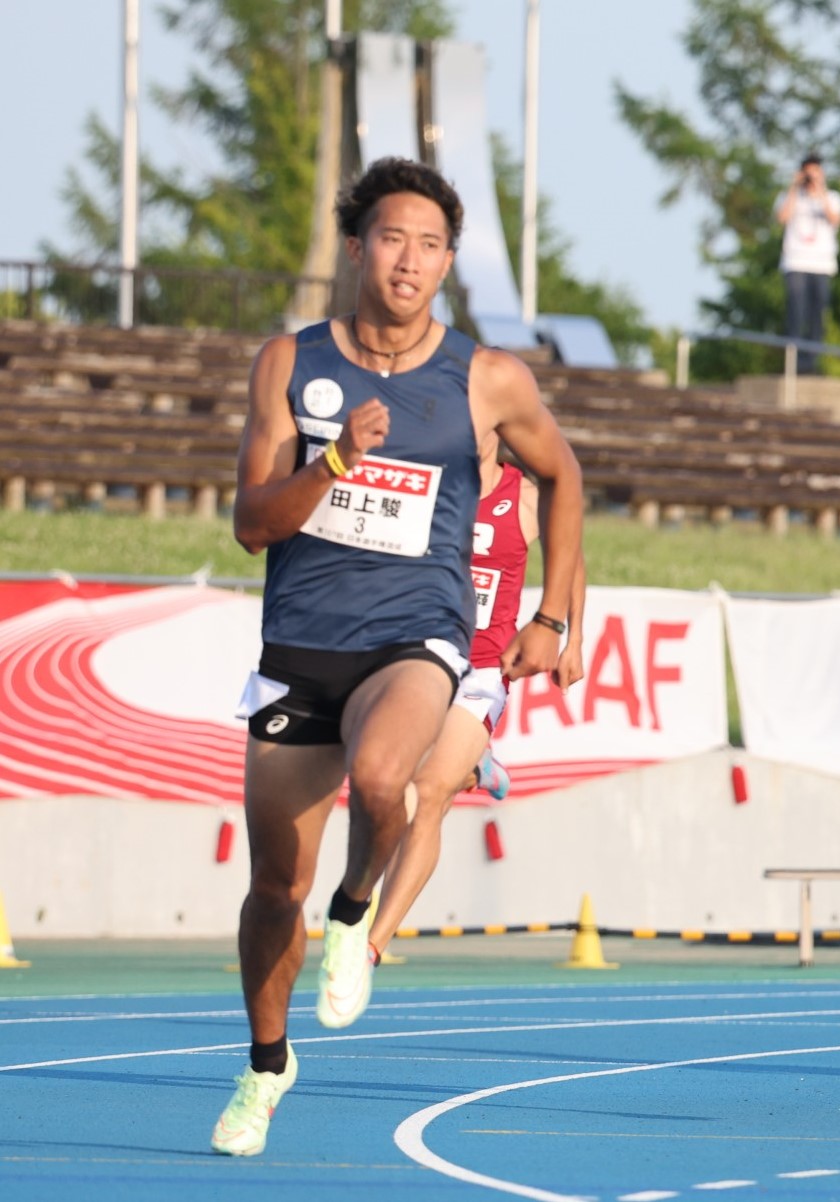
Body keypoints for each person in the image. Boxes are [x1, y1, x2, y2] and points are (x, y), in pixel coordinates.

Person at [212, 156, 583, 1156]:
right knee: (267, 893)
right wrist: (333, 463)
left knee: (387, 777)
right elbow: (252, 524)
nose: (409, 259)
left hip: (418, 630)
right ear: (354, 247)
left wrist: (555, 611)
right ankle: (265, 1063)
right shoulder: (288, 364)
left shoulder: (484, 376)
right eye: (391, 238)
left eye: (429, 244)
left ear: (449, 261)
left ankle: (354, 907)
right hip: (300, 642)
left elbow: (563, 471)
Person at [365, 442, 588, 967]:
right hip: (420, 657)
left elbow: (570, 556)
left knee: (428, 794)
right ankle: (475, 765)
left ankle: (370, 945)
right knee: (389, 789)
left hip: (484, 669)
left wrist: (572, 639)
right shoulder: (428, 484)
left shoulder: (526, 498)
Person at [773, 153, 840, 375]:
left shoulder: (832, 197)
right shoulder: (790, 196)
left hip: (822, 265)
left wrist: (820, 189)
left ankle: (812, 363)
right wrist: (795, 187)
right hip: (796, 262)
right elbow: (782, 217)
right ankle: (792, 363)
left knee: (817, 316)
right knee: (796, 313)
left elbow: (835, 219)